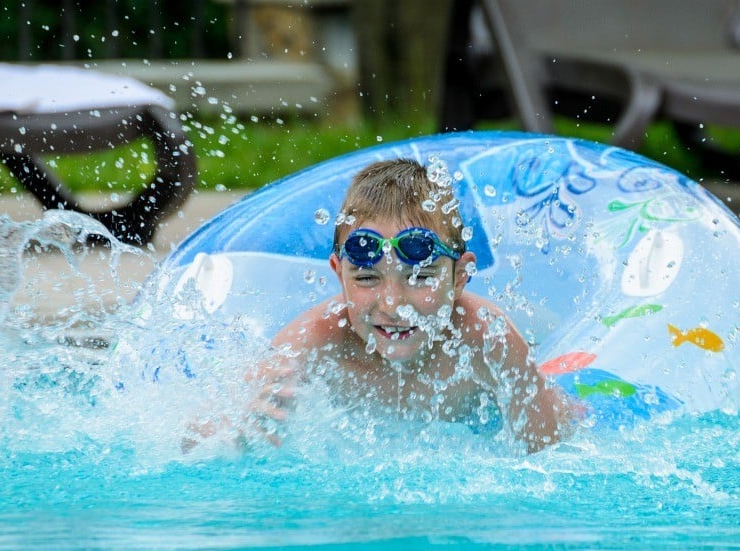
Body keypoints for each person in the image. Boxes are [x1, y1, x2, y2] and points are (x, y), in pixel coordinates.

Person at [244, 158, 577, 453]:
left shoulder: (486, 338)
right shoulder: (315, 341)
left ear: (460, 277)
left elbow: (547, 451)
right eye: (367, 279)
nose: (393, 305)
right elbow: (207, 434)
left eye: (419, 278)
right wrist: (241, 425)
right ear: (338, 273)